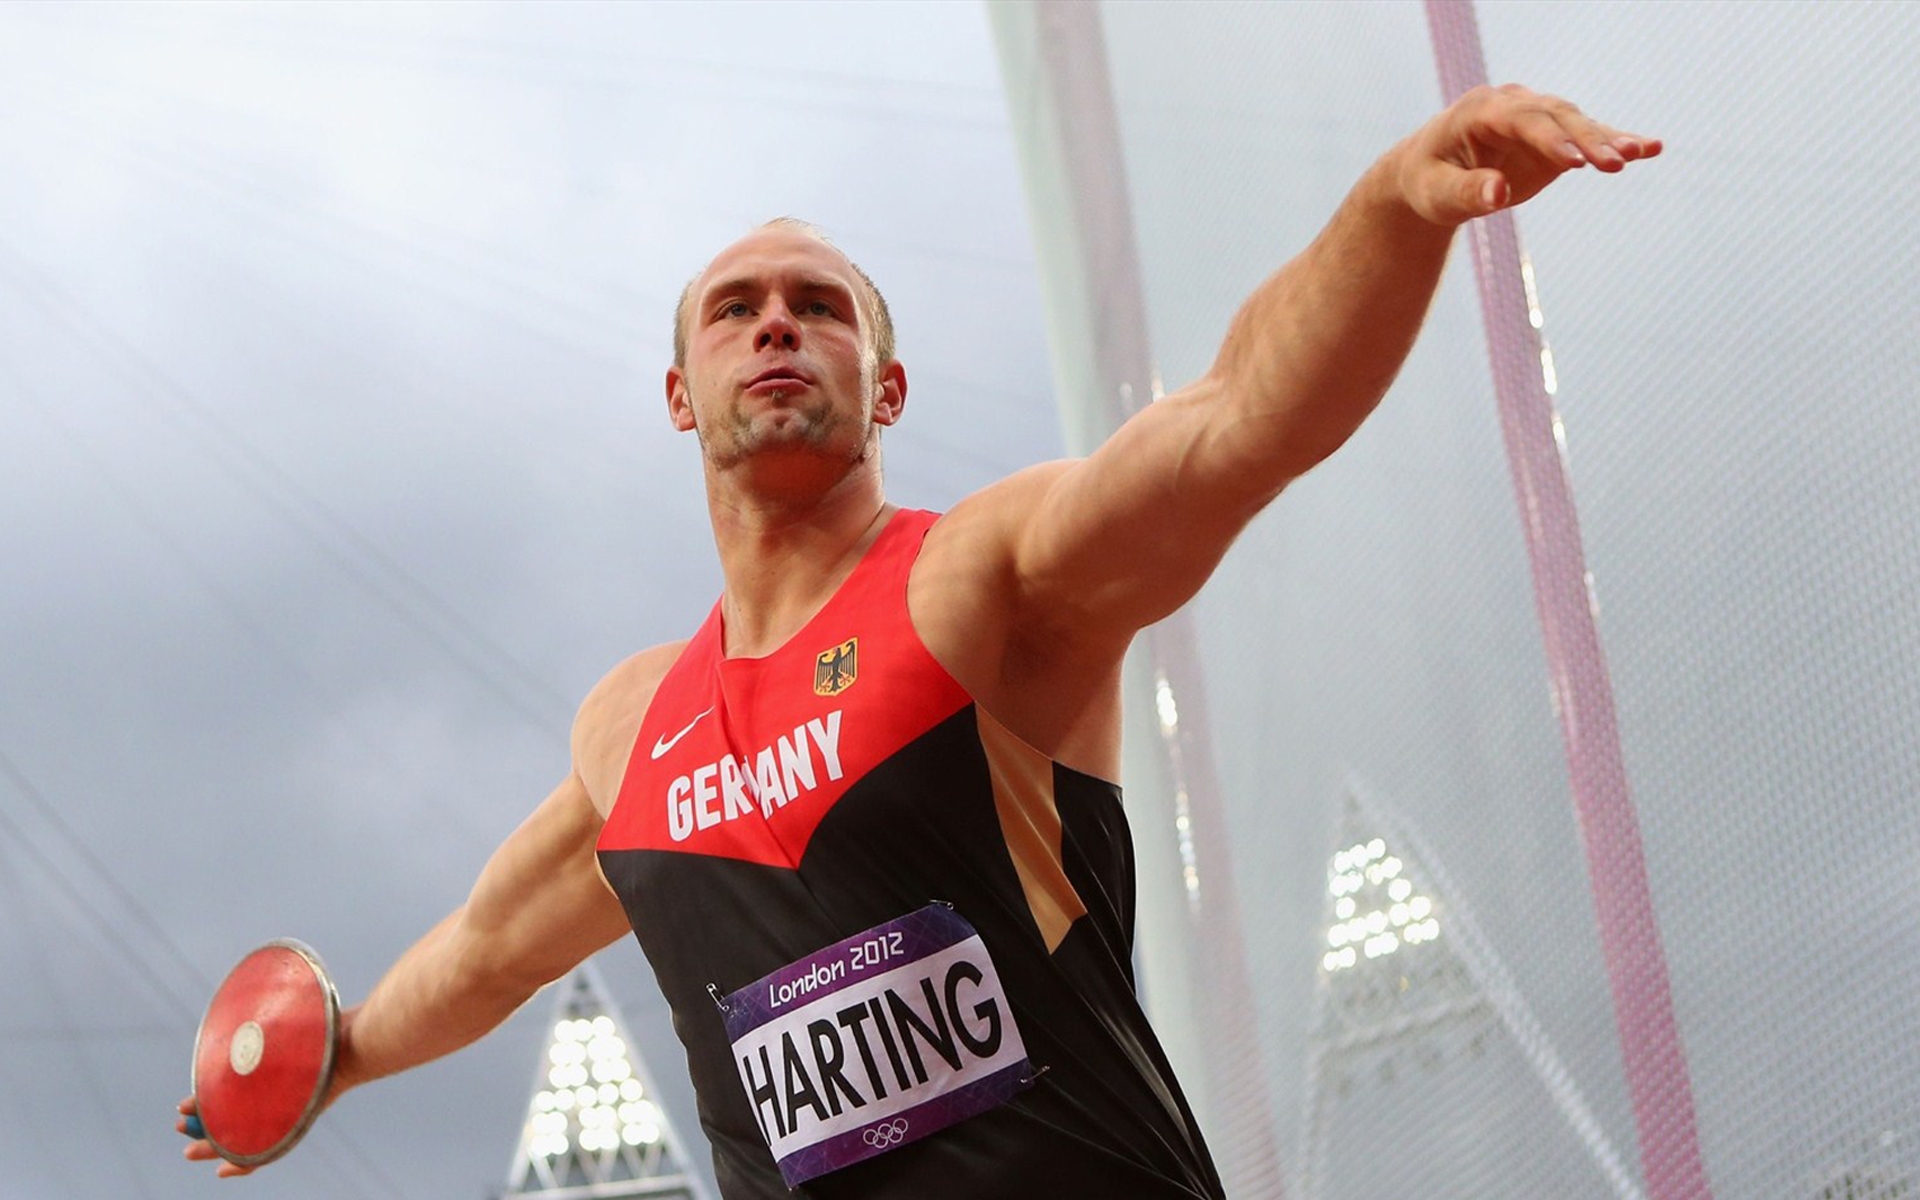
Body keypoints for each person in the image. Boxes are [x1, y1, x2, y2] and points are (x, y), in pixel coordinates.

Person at [178, 84, 1658, 1196]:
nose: (776, 327)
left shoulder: (979, 581)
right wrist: (339, 1055)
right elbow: (492, 948)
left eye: (818, 308)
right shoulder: (632, 732)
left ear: (885, 388)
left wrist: (1394, 207)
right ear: (681, 393)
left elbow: (1232, 424)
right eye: (735, 311)